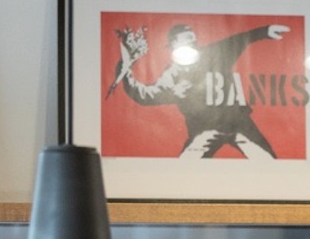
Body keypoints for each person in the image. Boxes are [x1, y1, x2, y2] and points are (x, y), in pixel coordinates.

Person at [114, 19, 291, 158]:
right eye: (187, 37)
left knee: (268, 162)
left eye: (193, 36)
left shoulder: (214, 53)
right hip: (203, 129)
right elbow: (146, 95)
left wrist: (265, 31)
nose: (192, 39)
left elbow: (238, 40)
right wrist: (125, 71)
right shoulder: (172, 74)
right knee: (184, 170)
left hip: (238, 123)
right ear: (174, 44)